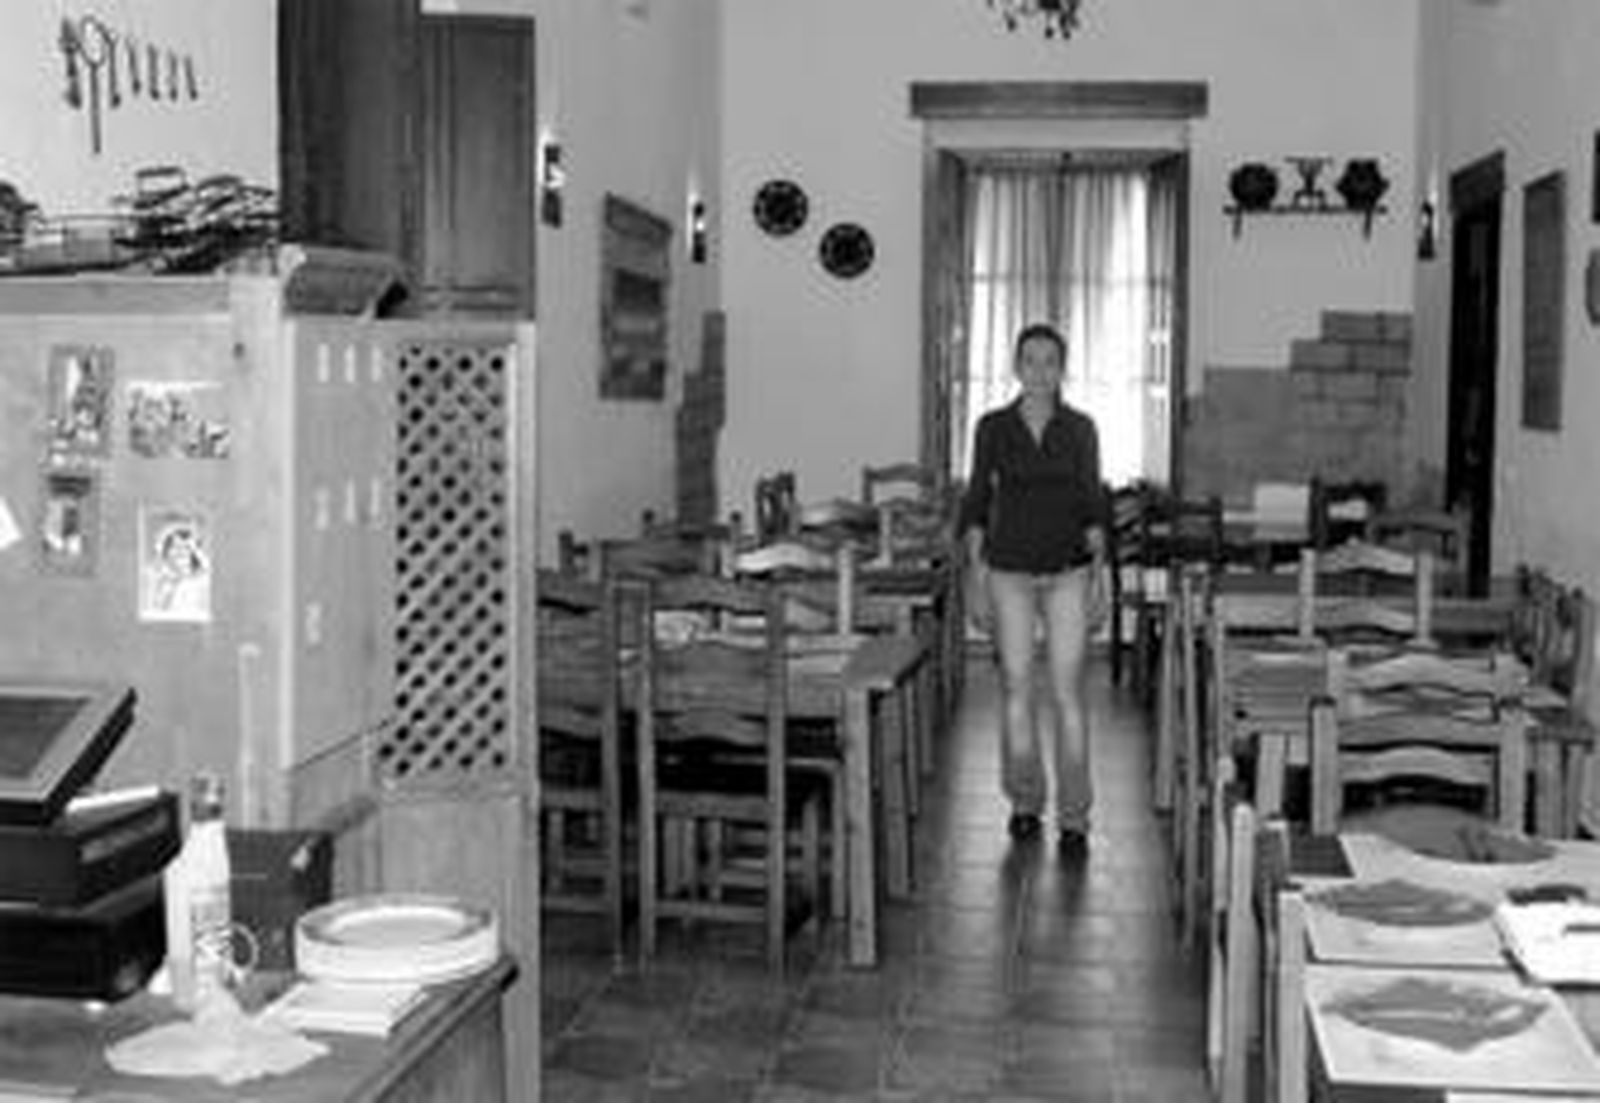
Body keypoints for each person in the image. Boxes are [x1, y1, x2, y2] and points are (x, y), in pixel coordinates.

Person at [958, 322, 1107, 855]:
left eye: (1050, 360)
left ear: (1061, 369)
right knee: (1018, 691)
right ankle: (1025, 801)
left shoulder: (1081, 429)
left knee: (1068, 695)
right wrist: (975, 574)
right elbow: (976, 501)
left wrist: (1101, 575)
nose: (1040, 370)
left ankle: (1075, 816)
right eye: (1030, 360)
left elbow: (1093, 503)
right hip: (1008, 572)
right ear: (1016, 368)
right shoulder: (992, 427)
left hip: (1069, 571)